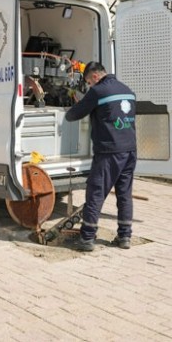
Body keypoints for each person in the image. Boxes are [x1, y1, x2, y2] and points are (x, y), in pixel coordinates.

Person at [65, 61, 136, 251]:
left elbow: (73, 115)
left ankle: (87, 238)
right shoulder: (127, 90)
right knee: (124, 195)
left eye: (89, 82)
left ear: (95, 77)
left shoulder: (98, 91)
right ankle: (125, 237)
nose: (89, 86)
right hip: (129, 150)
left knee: (96, 193)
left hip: (108, 152)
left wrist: (77, 107)